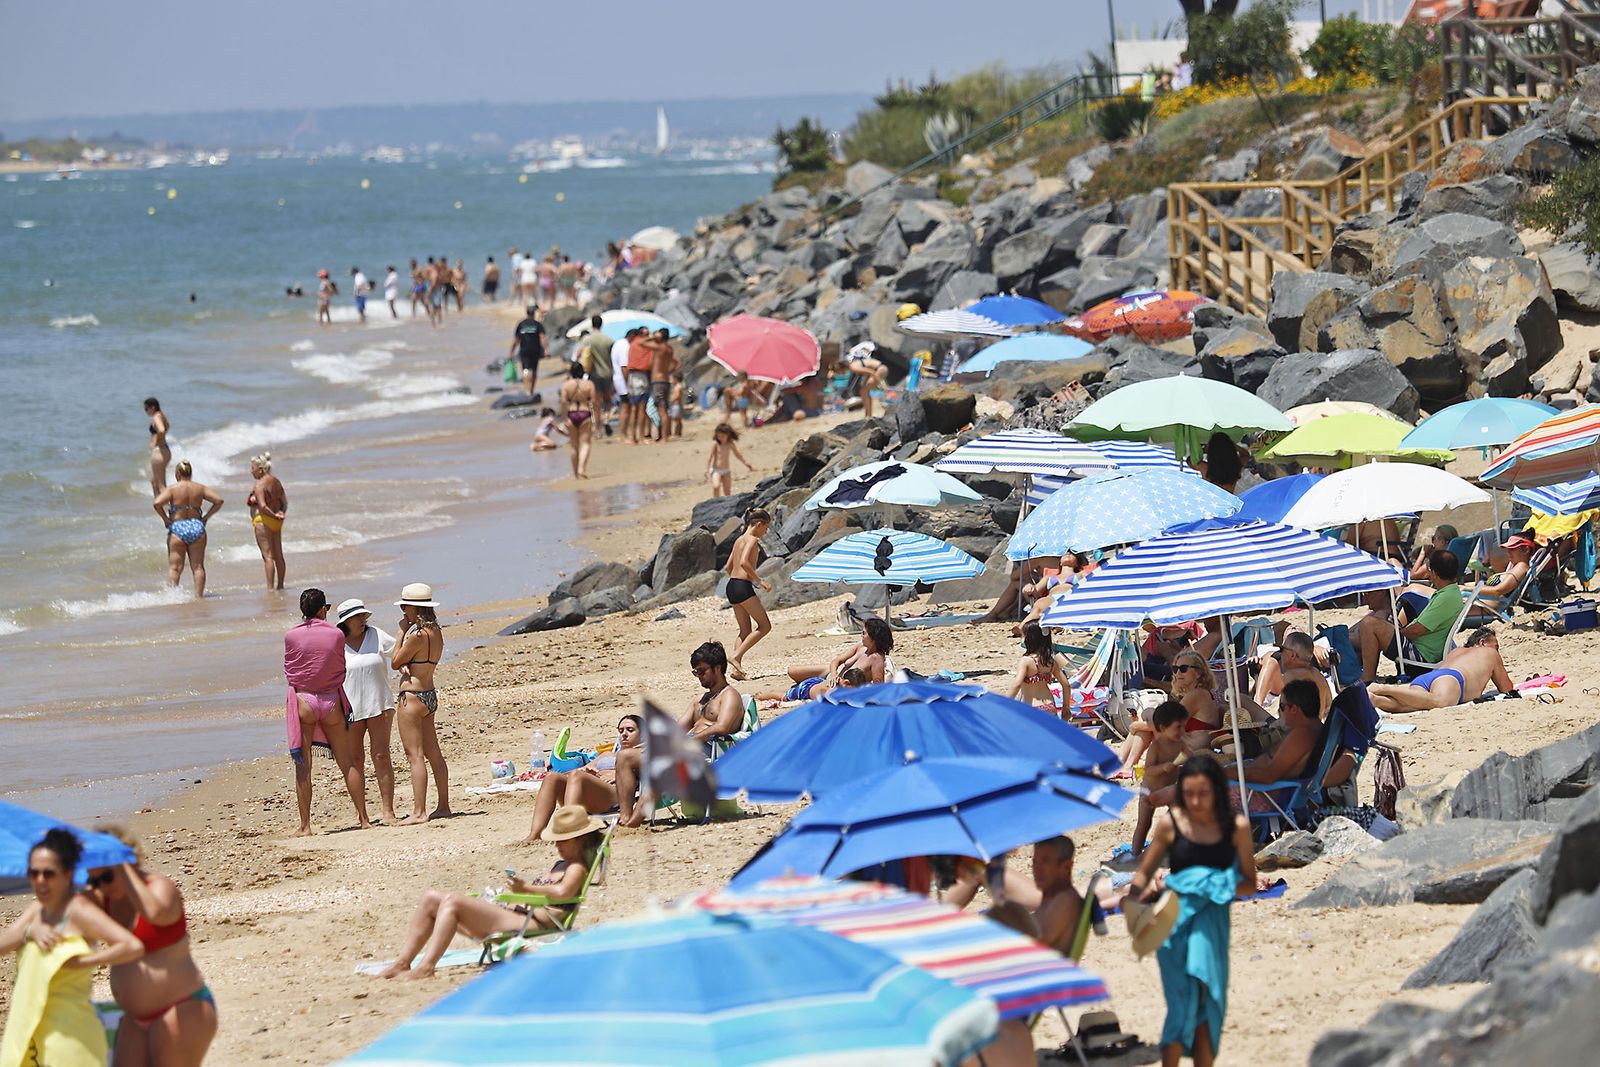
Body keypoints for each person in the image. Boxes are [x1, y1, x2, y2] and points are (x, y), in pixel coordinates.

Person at [376, 805, 605, 979]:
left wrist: (525, 888)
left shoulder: (576, 867)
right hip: (518, 914)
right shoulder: (560, 865)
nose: (557, 845)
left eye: (562, 841)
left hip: (534, 923)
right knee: (431, 898)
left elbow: (564, 892)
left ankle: (427, 966)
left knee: (453, 903)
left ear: (580, 838)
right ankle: (403, 961)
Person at [1130, 755, 1256, 1067]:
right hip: (1173, 921)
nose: (1196, 802)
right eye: (1188, 795)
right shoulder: (1170, 824)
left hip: (1211, 922)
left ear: (1217, 791)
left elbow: (1249, 883)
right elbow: (1142, 874)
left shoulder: (1236, 828)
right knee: (1181, 1006)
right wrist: (1133, 901)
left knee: (1207, 1000)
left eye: (1203, 794)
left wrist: (1214, 886)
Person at [0, 829, 144, 1067]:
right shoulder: (38, 911)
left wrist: (82, 961)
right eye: (34, 873)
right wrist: (28, 932)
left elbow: (131, 946)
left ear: (67, 874)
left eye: (49, 874)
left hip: (72, 1037)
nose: (40, 881)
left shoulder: (78, 909)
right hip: (34, 1031)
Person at [86, 827, 218, 1067]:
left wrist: (124, 869)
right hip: (135, 1018)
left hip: (183, 1005)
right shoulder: (103, 897)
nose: (102, 887)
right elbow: (66, 914)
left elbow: (156, 913)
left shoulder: (159, 886)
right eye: (94, 880)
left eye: (107, 877)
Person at [284, 588, 371, 835]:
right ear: (323, 610)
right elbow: (339, 667)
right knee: (347, 762)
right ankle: (364, 819)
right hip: (331, 699)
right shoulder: (335, 635)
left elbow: (290, 671)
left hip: (304, 700)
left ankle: (305, 826)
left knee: (304, 766)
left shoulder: (290, 636)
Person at [524, 715, 644, 841]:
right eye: (621, 731)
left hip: (614, 795)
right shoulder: (606, 754)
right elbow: (579, 771)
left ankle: (568, 827)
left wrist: (617, 774)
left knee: (578, 776)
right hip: (586, 791)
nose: (624, 734)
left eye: (630, 730)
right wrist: (587, 771)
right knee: (551, 777)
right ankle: (535, 834)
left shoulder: (639, 756)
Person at [1351, 549, 1464, 682]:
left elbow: (1417, 630)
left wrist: (1396, 633)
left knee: (1369, 624)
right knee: (1401, 606)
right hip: (1425, 650)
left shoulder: (1446, 598)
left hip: (1420, 656)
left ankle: (1368, 677)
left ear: (1434, 573)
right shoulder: (1450, 593)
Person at [336, 598, 399, 825]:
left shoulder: (376, 635)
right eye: (357, 617)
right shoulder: (336, 642)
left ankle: (388, 811)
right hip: (349, 709)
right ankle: (361, 813)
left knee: (381, 755)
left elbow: (400, 652)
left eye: (363, 616)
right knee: (355, 759)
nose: (363, 620)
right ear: (345, 621)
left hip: (379, 704)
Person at [392, 582, 450, 824]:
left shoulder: (416, 635)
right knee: (433, 752)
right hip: (429, 693)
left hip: (412, 697)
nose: (403, 611)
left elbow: (395, 661)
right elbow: (416, 661)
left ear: (414, 608)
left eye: (405, 607)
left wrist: (400, 632)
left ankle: (419, 811)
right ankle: (443, 805)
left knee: (414, 755)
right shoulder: (435, 632)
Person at [1368, 627, 1515, 712]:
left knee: (1411, 705)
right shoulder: (1490, 653)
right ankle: (1381, 688)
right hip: (1451, 679)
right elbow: (1507, 688)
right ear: (1482, 642)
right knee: (1440, 702)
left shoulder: (1457, 651)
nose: (1497, 650)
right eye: (1496, 646)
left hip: (1430, 678)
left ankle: (1376, 699)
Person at [152, 460, 223, 598]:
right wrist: (207, 516)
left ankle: (172, 597)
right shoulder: (199, 488)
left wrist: (166, 520)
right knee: (198, 567)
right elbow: (219, 500)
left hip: (178, 527)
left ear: (178, 474)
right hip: (197, 526)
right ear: (190, 473)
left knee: (175, 568)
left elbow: (157, 503)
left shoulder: (173, 489)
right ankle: (199, 597)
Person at [1132, 701, 1191, 857]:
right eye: (1178, 727)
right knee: (1144, 823)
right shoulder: (1156, 746)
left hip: (1169, 788)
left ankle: (1170, 844)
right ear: (1163, 728)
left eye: (1183, 726)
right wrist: (1163, 768)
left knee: (1176, 814)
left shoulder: (1180, 743)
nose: (1182, 731)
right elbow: (1148, 770)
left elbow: (1189, 756)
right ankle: (1135, 853)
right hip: (1150, 790)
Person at [724, 508, 774, 681]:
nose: (765, 532)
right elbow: (745, 562)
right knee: (765, 626)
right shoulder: (752, 540)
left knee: (745, 630)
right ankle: (736, 657)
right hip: (743, 587)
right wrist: (759, 581)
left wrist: (737, 578)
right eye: (766, 528)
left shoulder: (739, 540)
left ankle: (737, 670)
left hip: (731, 585)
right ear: (758, 524)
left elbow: (728, 567)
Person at [783, 616, 893, 693]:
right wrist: (834, 674)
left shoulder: (876, 659)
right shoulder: (861, 646)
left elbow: (879, 686)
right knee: (792, 671)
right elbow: (836, 661)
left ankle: (807, 685)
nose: (861, 635)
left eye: (864, 633)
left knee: (795, 691)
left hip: (840, 684)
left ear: (873, 638)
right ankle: (809, 683)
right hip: (832, 674)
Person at [681, 640, 747, 749]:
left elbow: (722, 727)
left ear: (717, 668)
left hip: (711, 748)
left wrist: (692, 740)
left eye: (701, 671)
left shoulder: (729, 695)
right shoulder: (699, 700)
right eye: (696, 672)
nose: (699, 676)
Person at [1249, 630, 1331, 716]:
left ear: (1293, 655)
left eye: (1282, 649)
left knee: (1244, 701)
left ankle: (1257, 704)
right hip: (1317, 728)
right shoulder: (1319, 676)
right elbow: (1328, 708)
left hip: (1297, 728)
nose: (1280, 653)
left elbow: (1284, 717)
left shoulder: (1291, 677)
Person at [247, 451, 288, 591]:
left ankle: (270, 588)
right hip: (277, 522)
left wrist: (273, 515)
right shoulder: (276, 482)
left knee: (268, 557)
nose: (251, 471)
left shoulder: (259, 485)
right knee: (279, 555)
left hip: (264, 521)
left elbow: (263, 506)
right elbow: (284, 501)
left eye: (252, 468)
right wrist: (280, 513)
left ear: (260, 469)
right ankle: (280, 585)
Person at [1008, 622, 1070, 710]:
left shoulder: (1026, 661)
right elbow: (1066, 685)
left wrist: (1005, 704)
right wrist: (1066, 708)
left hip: (1031, 707)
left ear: (1029, 639)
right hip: (1050, 706)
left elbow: (1017, 684)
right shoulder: (1051, 662)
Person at [1471, 534, 1535, 616]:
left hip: (1488, 608)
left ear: (1526, 549)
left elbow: (1497, 591)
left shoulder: (1521, 567)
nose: (1508, 552)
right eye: (1508, 549)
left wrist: (1466, 589)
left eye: (1512, 549)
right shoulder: (1515, 567)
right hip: (1481, 603)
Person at [559, 361, 597, 479]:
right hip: (585, 413)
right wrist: (596, 419)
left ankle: (575, 473)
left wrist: (564, 418)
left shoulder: (566, 385)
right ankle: (581, 469)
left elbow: (563, 402)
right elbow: (594, 402)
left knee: (574, 446)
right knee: (585, 443)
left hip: (572, 414)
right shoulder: (589, 384)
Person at [578, 316, 615, 433]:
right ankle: (607, 419)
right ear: (601, 324)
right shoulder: (608, 340)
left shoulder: (587, 340)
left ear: (592, 325)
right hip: (608, 373)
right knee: (608, 399)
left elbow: (581, 354)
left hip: (594, 375)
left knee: (596, 402)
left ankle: (597, 427)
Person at [622, 328, 653, 443]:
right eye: (646, 334)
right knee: (640, 407)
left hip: (633, 377)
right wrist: (656, 337)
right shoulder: (640, 342)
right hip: (640, 377)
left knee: (635, 408)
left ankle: (634, 437)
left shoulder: (634, 345)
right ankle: (640, 437)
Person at [706, 422, 753, 497]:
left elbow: (737, 454)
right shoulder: (716, 444)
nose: (720, 438)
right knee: (716, 486)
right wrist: (707, 469)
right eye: (719, 436)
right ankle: (715, 502)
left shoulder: (730, 444)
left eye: (722, 436)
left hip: (726, 471)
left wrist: (746, 463)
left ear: (728, 435)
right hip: (716, 470)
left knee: (727, 492)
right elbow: (710, 456)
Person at [649, 328, 678, 444]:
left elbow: (641, 343)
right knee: (663, 409)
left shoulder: (659, 347)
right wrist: (669, 372)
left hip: (658, 381)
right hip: (665, 380)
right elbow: (678, 362)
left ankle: (665, 437)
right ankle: (663, 435)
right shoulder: (669, 349)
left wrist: (653, 337)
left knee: (662, 410)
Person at [509, 305, 544, 398]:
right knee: (534, 370)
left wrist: (511, 353)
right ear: (534, 313)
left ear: (527, 313)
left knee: (526, 370)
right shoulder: (537, 324)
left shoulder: (521, 324)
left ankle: (527, 391)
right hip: (536, 350)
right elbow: (542, 337)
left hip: (524, 350)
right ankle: (532, 390)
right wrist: (546, 350)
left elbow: (515, 340)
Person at [845, 341, 887, 418]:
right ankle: (868, 414)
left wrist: (880, 383)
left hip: (880, 369)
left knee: (864, 391)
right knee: (864, 391)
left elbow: (871, 372)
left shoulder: (853, 367)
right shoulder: (854, 365)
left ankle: (868, 415)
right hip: (880, 368)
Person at [144, 397, 170, 497]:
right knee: (154, 481)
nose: (146, 412)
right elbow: (166, 427)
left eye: (147, 409)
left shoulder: (156, 417)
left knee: (161, 485)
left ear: (153, 407)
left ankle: (172, 509)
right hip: (164, 450)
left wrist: (156, 441)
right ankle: (160, 507)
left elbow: (162, 430)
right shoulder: (161, 416)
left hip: (159, 452)